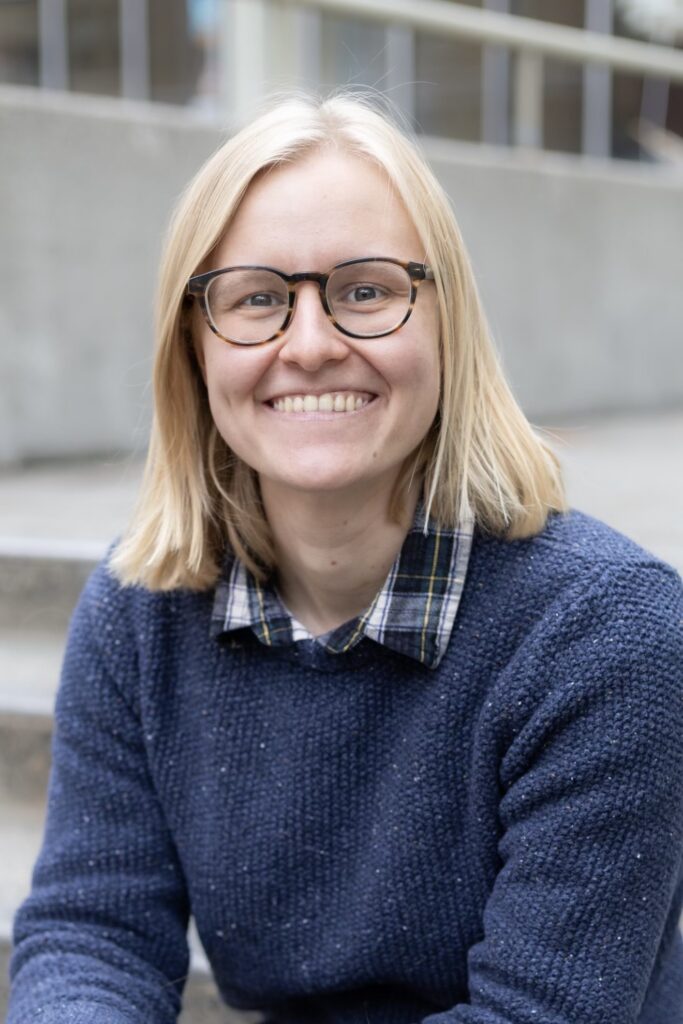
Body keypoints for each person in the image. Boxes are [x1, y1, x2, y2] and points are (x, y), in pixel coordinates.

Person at [7, 92, 683, 1024]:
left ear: (446, 324)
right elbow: (93, 933)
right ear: (194, 347)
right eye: (257, 299)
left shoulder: (607, 631)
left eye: (366, 290)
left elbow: (541, 1015)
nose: (312, 345)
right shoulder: (139, 611)